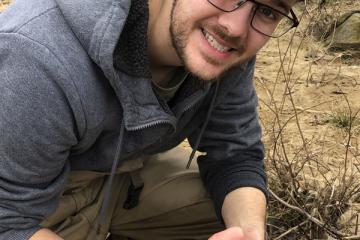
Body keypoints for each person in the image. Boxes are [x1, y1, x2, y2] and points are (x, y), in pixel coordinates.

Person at [0, 0, 299, 239]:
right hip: (32, 200)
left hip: (120, 179)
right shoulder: (37, 55)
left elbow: (236, 155)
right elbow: (8, 222)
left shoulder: (223, 49)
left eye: (267, 11)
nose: (235, 28)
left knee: (229, 209)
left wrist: (247, 232)